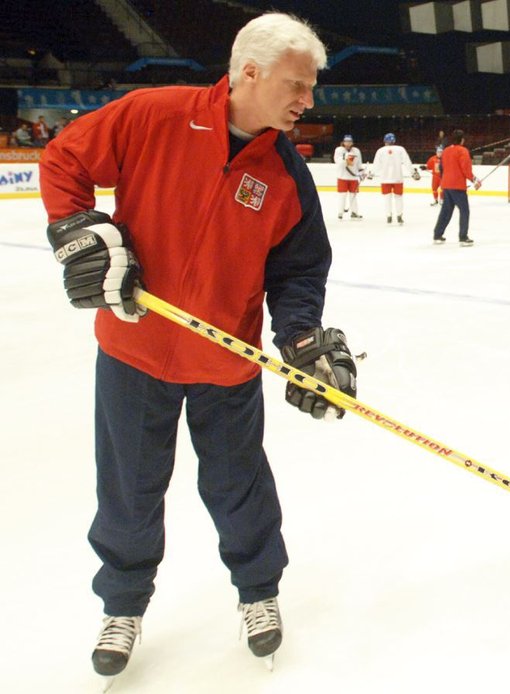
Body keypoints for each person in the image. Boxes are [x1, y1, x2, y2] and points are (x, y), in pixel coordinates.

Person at [38, 12, 356, 682]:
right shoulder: (152, 115)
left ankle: (259, 593)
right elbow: (65, 158)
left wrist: (300, 339)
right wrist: (78, 228)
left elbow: (298, 270)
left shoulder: (285, 173)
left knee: (239, 486)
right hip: (134, 349)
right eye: (297, 84)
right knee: (129, 489)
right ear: (250, 72)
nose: (308, 99)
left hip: (226, 361)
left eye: (310, 87)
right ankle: (122, 605)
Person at [432, 129, 480, 247]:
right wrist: (474, 180)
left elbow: (441, 168)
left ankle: (437, 235)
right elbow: (466, 169)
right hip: (457, 186)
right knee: (464, 210)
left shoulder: (446, 150)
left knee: (446, 211)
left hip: (446, 185)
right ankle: (463, 237)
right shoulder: (463, 151)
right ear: (462, 140)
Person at [371, 132, 419, 225]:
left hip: (385, 179)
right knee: (399, 198)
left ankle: (388, 216)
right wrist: (413, 172)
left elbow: (376, 165)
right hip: (398, 178)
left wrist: (371, 174)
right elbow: (407, 162)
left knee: (387, 198)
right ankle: (399, 215)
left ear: (385, 140)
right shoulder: (400, 149)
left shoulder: (380, 150)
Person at [333, 133, 363, 220]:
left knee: (353, 196)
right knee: (342, 196)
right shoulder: (339, 150)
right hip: (342, 177)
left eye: (350, 141)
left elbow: (359, 164)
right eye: (346, 141)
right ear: (343, 142)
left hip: (353, 178)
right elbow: (338, 162)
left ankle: (354, 212)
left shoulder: (356, 151)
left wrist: (361, 173)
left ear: (352, 142)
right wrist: (347, 158)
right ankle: (340, 212)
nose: (348, 143)